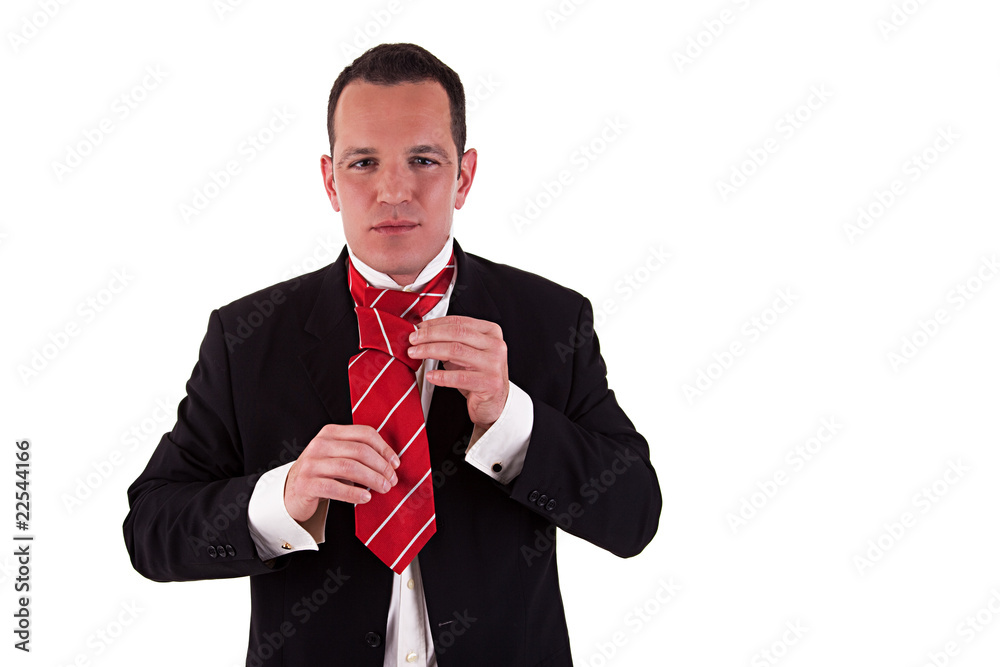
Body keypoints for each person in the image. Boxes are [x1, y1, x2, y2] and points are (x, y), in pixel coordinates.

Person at [123, 42, 661, 666]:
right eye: (363, 162)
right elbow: (151, 531)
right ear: (330, 180)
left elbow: (634, 517)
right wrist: (284, 495)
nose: (393, 190)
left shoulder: (550, 320)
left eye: (424, 159)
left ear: (464, 176)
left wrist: (512, 419)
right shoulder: (246, 337)